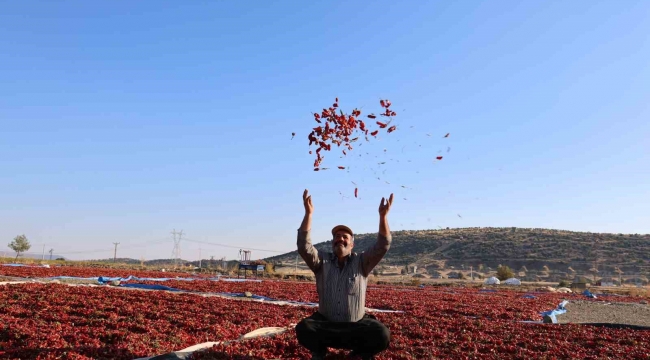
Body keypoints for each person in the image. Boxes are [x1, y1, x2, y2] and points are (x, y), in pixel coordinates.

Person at [295, 189, 393, 360]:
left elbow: (383, 245)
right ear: (333, 242)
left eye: (345, 237)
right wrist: (308, 213)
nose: (340, 239)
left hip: (356, 326)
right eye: (337, 236)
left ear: (352, 244)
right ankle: (320, 351)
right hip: (326, 325)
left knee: (382, 334)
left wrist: (383, 217)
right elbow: (304, 246)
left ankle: (360, 353)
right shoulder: (321, 262)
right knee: (304, 328)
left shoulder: (362, 262)